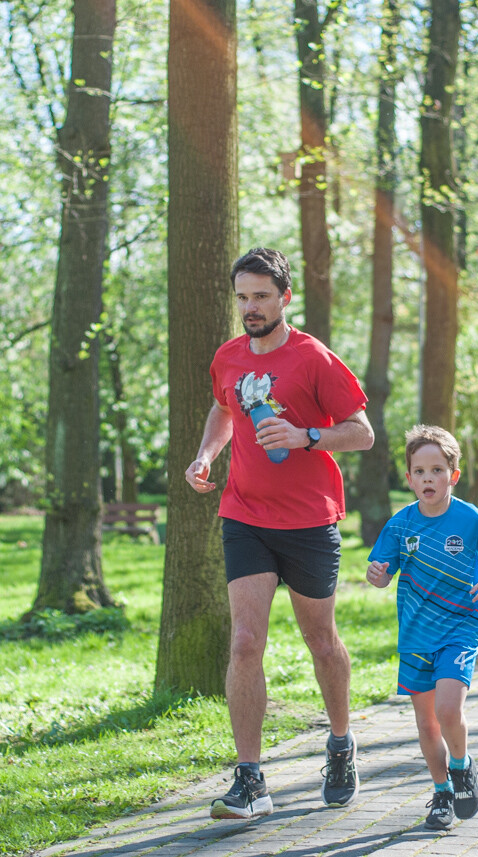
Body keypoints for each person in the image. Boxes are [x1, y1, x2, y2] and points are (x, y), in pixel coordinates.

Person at [185, 247, 375, 820]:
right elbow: (224, 410)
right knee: (245, 642)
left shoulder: (314, 357)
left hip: (310, 521)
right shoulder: (228, 357)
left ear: (285, 297)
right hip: (245, 515)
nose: (251, 307)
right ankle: (251, 781)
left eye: (262, 296)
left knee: (322, 641)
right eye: (243, 297)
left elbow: (362, 433)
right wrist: (206, 455)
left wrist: (306, 437)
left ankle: (340, 744)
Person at [365, 425, 478, 831]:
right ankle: (442, 792)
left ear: (453, 475)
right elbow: (381, 573)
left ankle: (461, 767)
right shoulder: (400, 525)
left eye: (436, 470)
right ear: (409, 478)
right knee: (427, 723)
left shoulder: (469, 518)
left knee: (448, 710)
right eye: (419, 471)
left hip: (460, 626)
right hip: (416, 634)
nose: (428, 478)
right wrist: (377, 575)